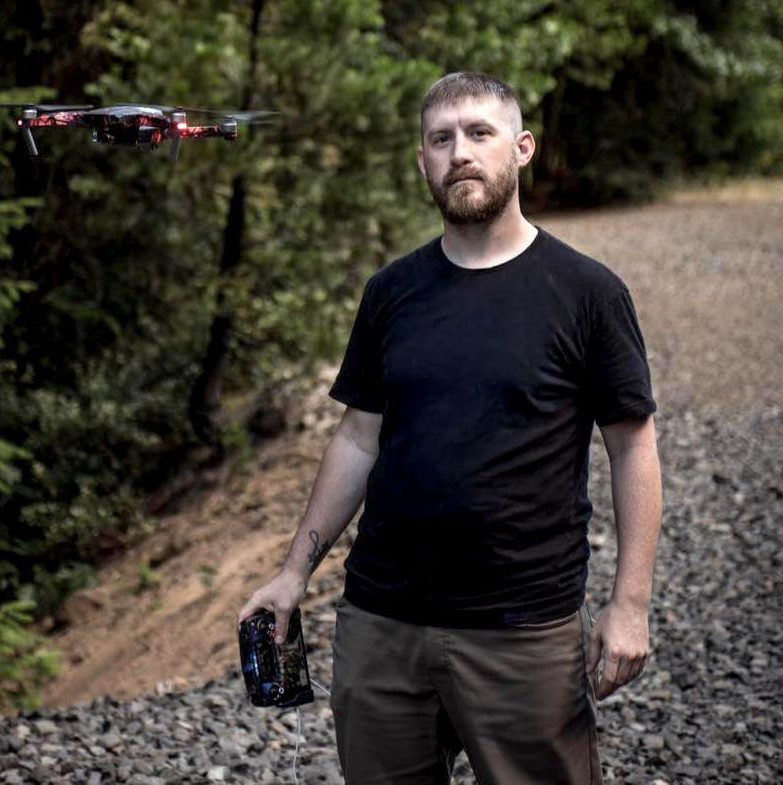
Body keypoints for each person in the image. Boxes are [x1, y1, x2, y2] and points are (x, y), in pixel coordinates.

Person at [238, 72, 663, 785]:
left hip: (522, 630)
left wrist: (630, 604)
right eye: (441, 139)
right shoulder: (391, 293)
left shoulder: (588, 293)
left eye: (479, 133)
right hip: (381, 622)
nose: (459, 152)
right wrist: (291, 574)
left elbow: (634, 447)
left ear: (521, 149)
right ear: (422, 162)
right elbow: (357, 439)